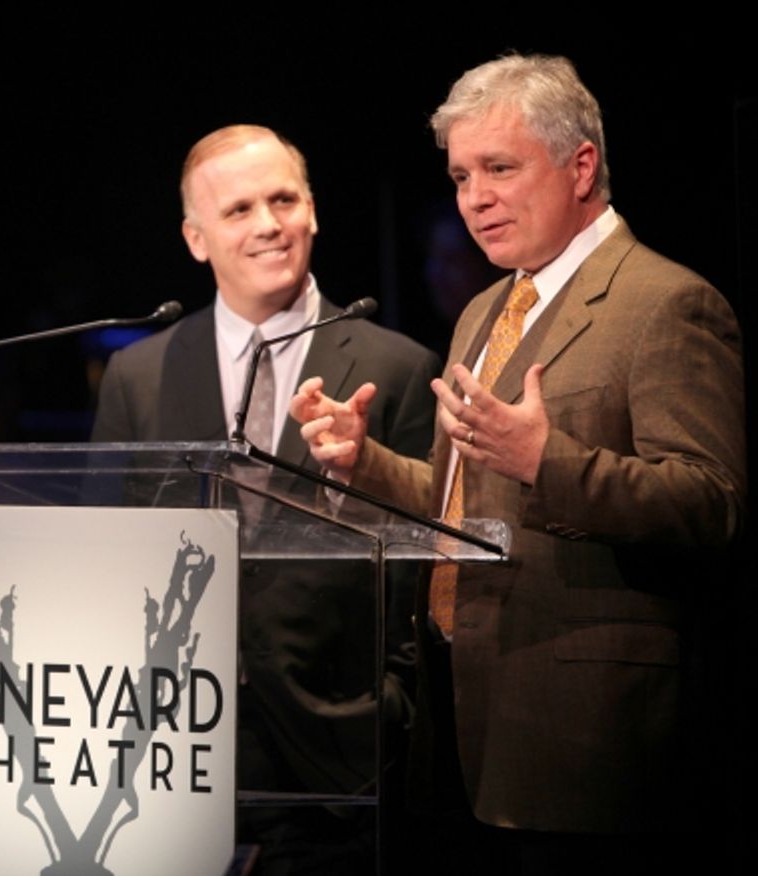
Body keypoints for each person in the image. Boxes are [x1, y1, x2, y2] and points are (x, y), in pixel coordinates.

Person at [291, 54, 745, 870]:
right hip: (462, 722)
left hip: (587, 739)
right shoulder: (483, 310)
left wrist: (550, 460)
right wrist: (365, 465)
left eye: (499, 168)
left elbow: (711, 503)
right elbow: (461, 502)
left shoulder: (667, 302)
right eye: (462, 176)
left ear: (581, 166)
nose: (475, 198)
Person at [92, 124, 441, 869]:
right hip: (169, 747)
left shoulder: (399, 367)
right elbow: (102, 560)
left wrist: (393, 704)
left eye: (283, 199)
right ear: (196, 238)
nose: (269, 225)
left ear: (312, 209)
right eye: (240, 209)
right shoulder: (139, 375)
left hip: (340, 750)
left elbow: (424, 566)